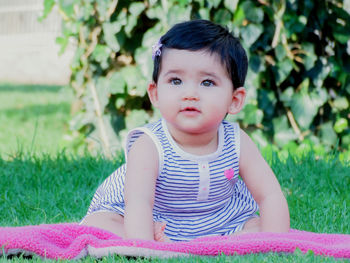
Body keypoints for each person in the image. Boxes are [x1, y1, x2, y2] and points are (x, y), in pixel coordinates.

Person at [80, 19, 290, 242]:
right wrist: (144, 245)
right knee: (100, 225)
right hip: (145, 217)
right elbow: (139, 202)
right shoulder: (150, 146)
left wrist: (274, 241)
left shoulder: (237, 142)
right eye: (176, 80)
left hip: (219, 219)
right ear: (156, 93)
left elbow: (270, 195)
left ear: (235, 100)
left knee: (261, 225)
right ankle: (158, 241)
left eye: (207, 83)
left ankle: (207, 240)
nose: (190, 93)